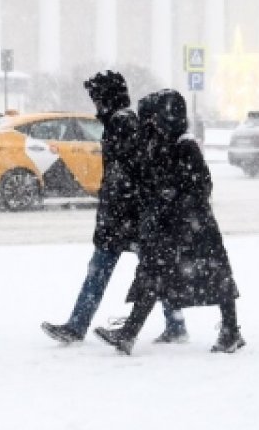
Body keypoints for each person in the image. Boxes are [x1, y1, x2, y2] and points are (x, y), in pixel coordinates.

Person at [41, 71, 187, 345]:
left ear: (108, 98)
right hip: (125, 215)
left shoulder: (122, 124)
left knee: (120, 271)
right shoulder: (120, 122)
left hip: (125, 217)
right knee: (153, 272)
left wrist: (120, 207)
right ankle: (175, 325)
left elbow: (130, 173)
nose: (95, 105)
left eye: (97, 98)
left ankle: (77, 326)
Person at [95, 88, 244, 355]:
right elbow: (147, 178)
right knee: (153, 275)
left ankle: (231, 331)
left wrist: (174, 197)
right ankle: (129, 333)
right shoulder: (158, 144)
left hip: (193, 227)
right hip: (169, 226)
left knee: (215, 278)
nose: (149, 124)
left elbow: (202, 186)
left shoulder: (185, 146)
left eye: (153, 119)